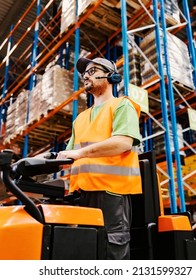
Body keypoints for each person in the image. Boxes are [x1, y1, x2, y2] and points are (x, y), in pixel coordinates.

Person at [57, 57, 142, 259]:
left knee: (110, 252)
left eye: (93, 70)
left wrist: (81, 153)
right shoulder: (80, 119)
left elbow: (123, 142)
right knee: (84, 251)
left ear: (112, 76)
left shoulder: (122, 106)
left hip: (111, 193)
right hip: (81, 194)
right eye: (84, 73)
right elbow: (68, 155)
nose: (86, 75)